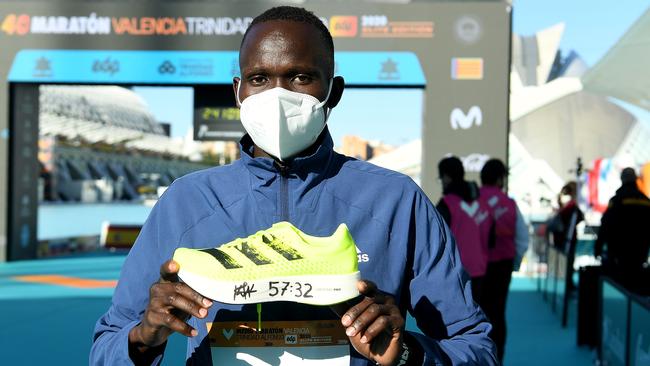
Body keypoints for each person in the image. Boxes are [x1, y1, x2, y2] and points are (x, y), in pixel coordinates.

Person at [90, 6, 497, 365]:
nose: (278, 96)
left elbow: (474, 346)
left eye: (300, 77)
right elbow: (106, 346)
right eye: (260, 78)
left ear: (333, 92)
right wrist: (144, 337)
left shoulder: (396, 201)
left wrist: (408, 352)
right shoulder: (186, 202)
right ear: (239, 92)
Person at [478, 159, 529, 362]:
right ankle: (497, 358)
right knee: (498, 313)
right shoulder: (509, 203)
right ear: (501, 178)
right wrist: (514, 262)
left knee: (475, 313)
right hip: (503, 265)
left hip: (477, 268)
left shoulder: (473, 202)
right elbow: (522, 238)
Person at [436, 156, 491, 305]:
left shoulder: (447, 204)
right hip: (480, 270)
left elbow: (436, 241)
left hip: (455, 273)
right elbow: (491, 238)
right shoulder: (482, 203)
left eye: (441, 178)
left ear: (446, 177)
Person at [595, 167, 650, 294]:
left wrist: (598, 248)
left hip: (619, 254)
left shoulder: (617, 201)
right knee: (636, 289)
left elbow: (605, 226)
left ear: (622, 180)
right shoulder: (646, 202)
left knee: (620, 288)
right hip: (640, 253)